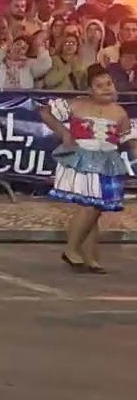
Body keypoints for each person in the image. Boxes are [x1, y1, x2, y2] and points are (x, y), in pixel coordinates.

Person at [40, 65, 137, 274]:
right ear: (90, 90)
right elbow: (46, 112)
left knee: (96, 209)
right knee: (89, 206)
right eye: (99, 86)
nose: (106, 89)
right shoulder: (78, 105)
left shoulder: (119, 113)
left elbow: (131, 140)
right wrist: (64, 133)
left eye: (109, 84)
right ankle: (71, 249)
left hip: (108, 162)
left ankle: (90, 256)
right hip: (83, 160)